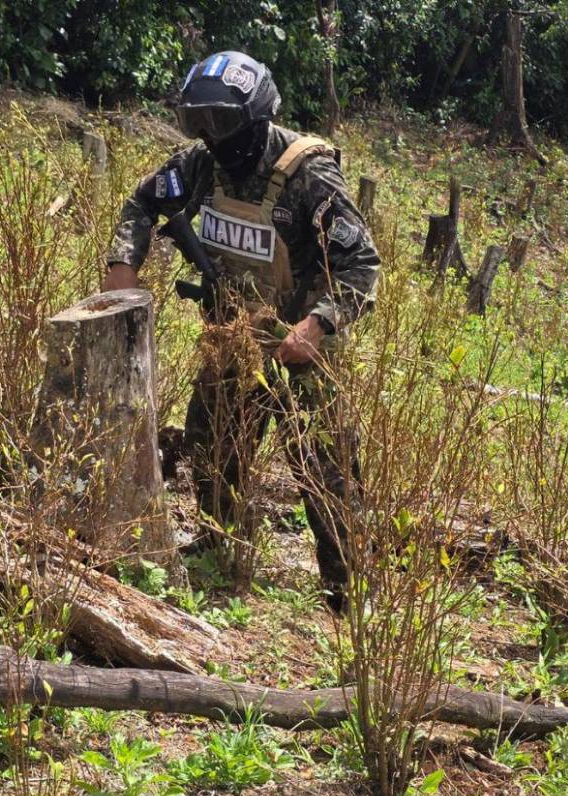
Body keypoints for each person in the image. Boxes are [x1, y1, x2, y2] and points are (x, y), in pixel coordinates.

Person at [101, 50, 380, 612]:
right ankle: (223, 552)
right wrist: (123, 266)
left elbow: (362, 265)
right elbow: (143, 200)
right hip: (232, 337)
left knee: (326, 473)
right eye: (198, 123)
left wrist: (317, 324)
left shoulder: (307, 175)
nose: (210, 136)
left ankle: (349, 594)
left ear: (254, 119)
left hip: (303, 352)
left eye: (221, 123)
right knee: (211, 449)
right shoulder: (203, 165)